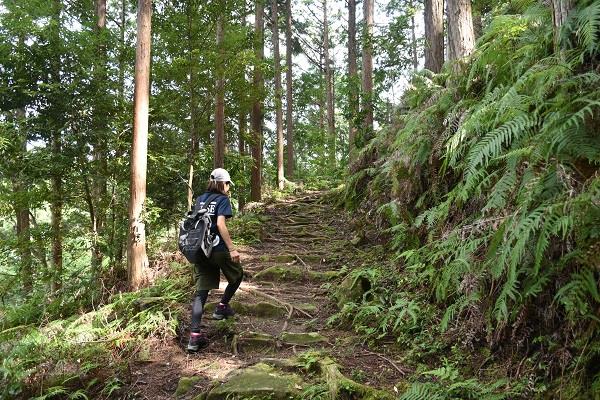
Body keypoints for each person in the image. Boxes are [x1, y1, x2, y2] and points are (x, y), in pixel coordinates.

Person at [187, 168, 243, 352]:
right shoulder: (222, 199)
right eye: (227, 184)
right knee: (237, 276)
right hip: (218, 249)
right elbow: (220, 224)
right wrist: (232, 249)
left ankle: (194, 337)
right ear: (223, 183)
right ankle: (221, 307)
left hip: (200, 251)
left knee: (201, 292)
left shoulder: (200, 199)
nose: (228, 188)